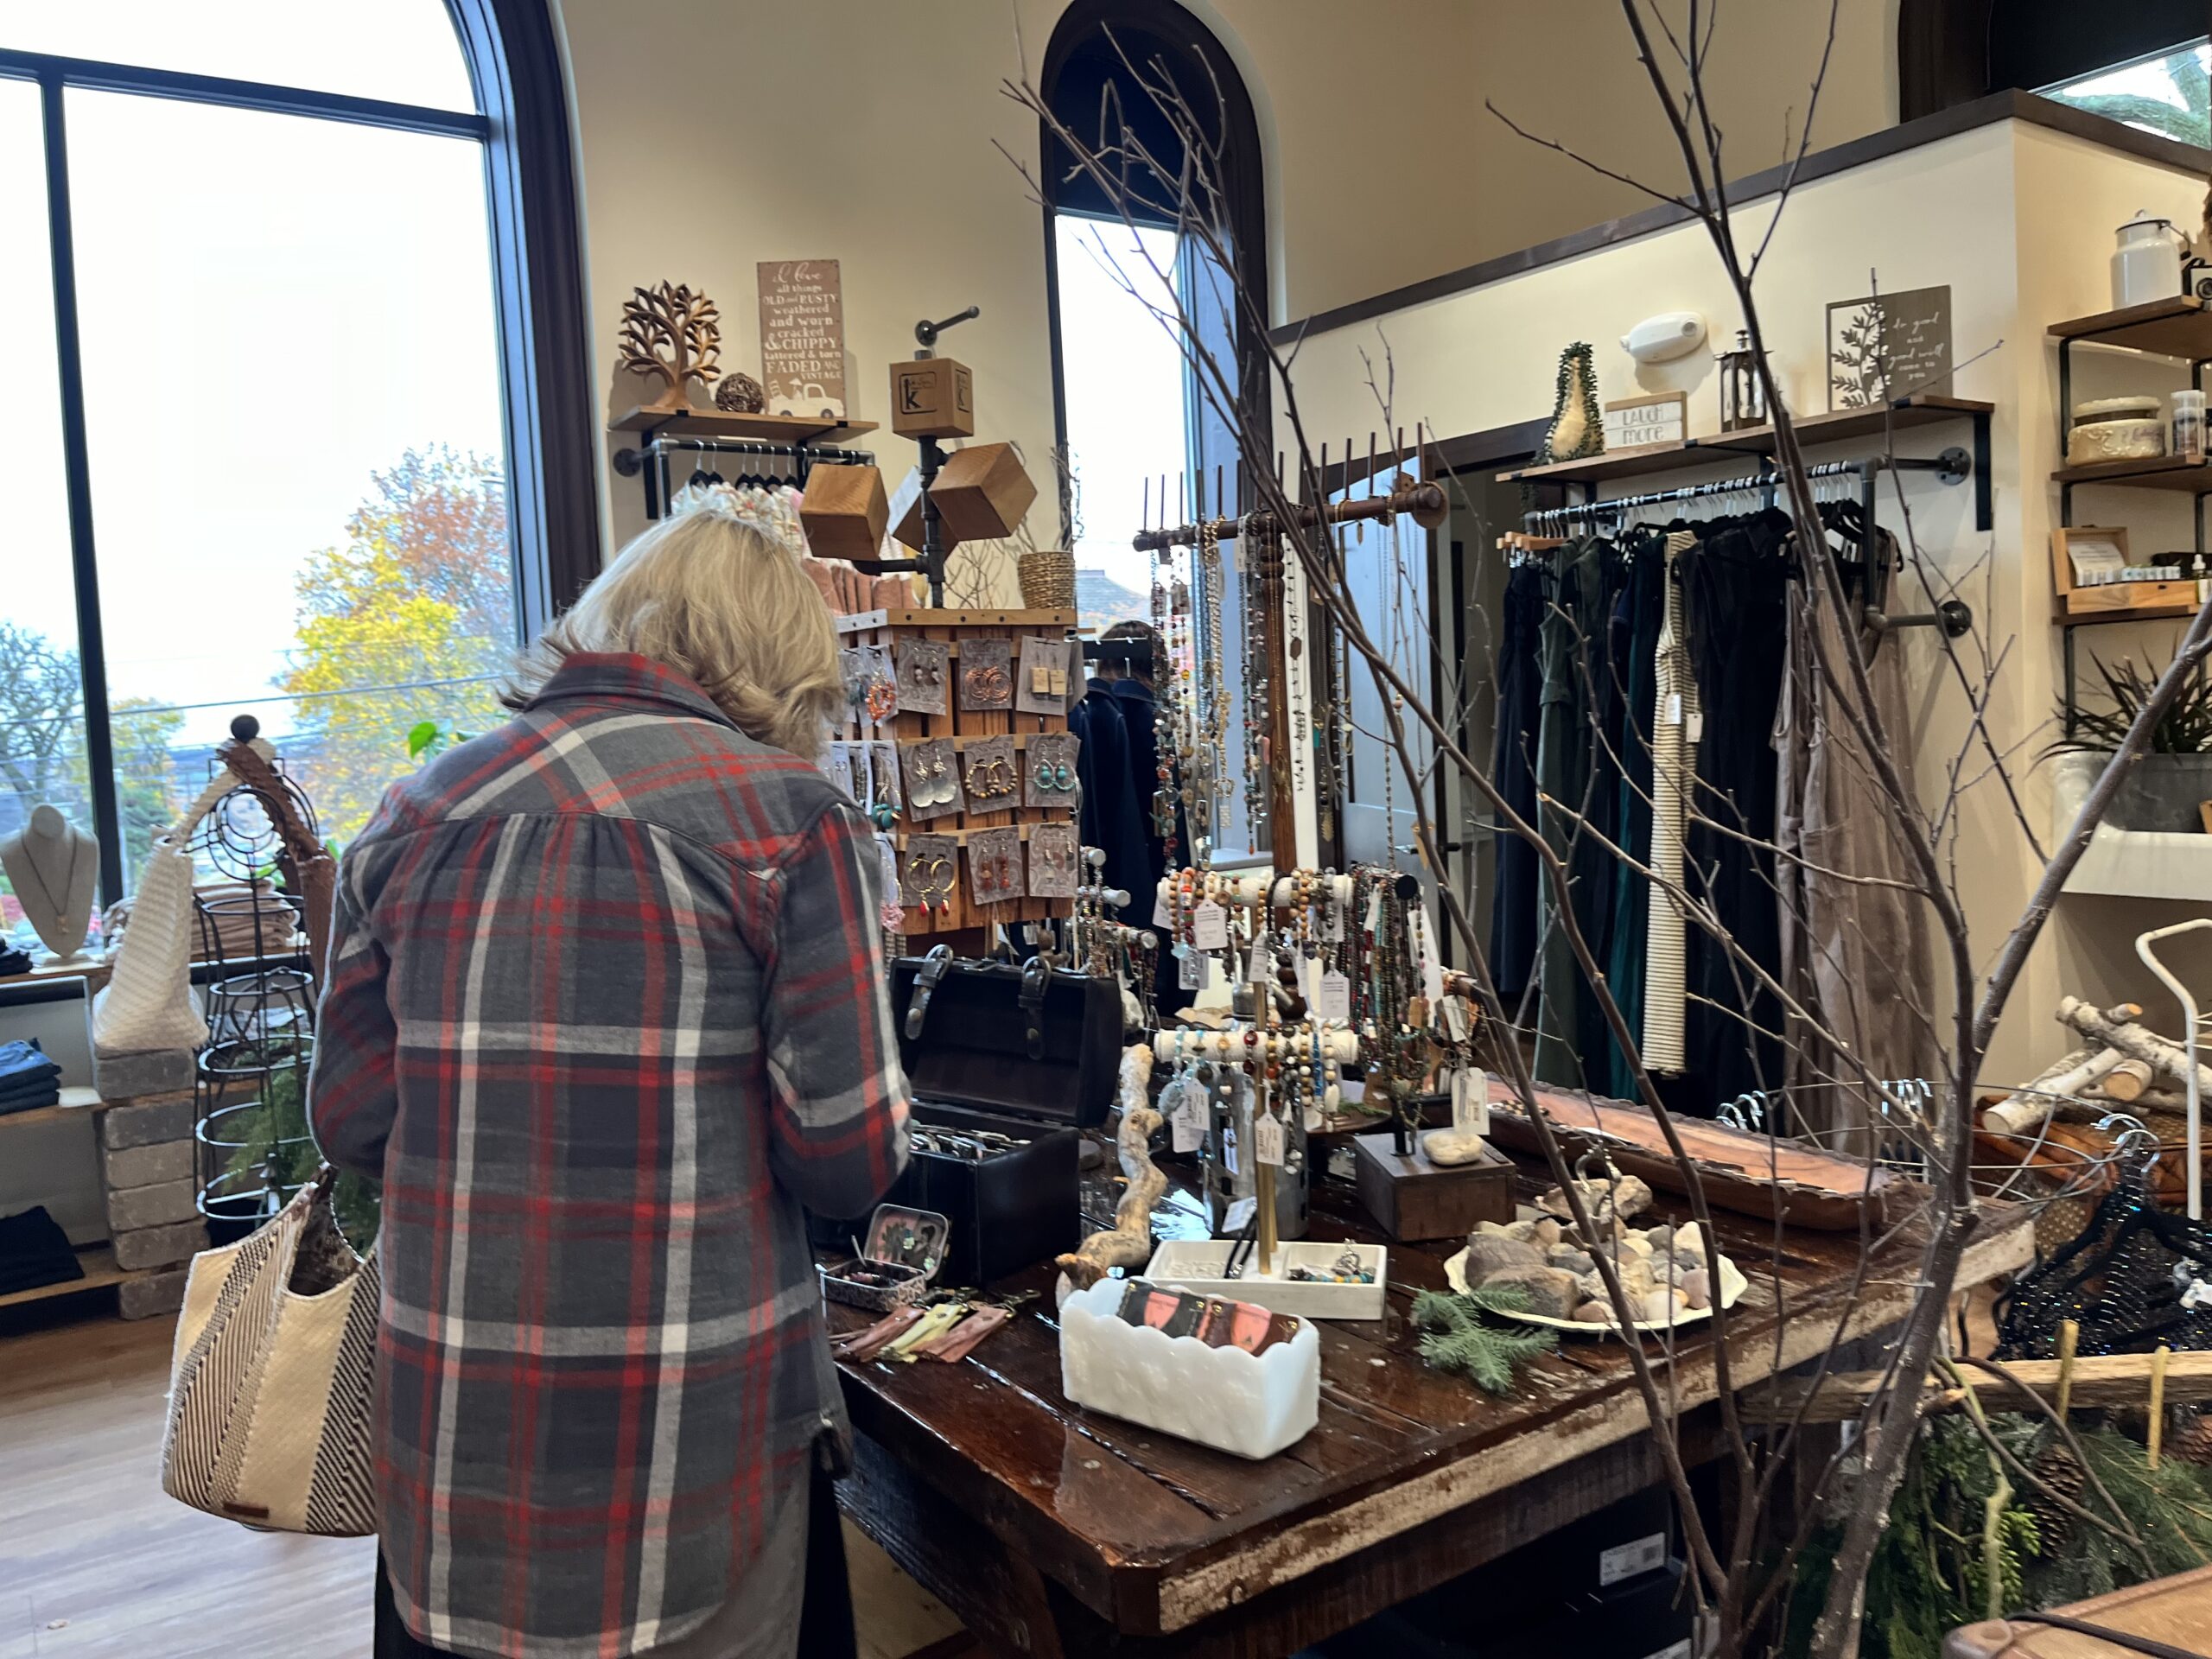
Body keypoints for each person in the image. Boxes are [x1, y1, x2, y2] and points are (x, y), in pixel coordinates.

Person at [308, 496, 912, 1659]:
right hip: (691, 1456)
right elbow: (847, 1164)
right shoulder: (789, 823)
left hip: (454, 1452)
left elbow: (348, 1119)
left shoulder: (410, 812)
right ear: (782, 668)